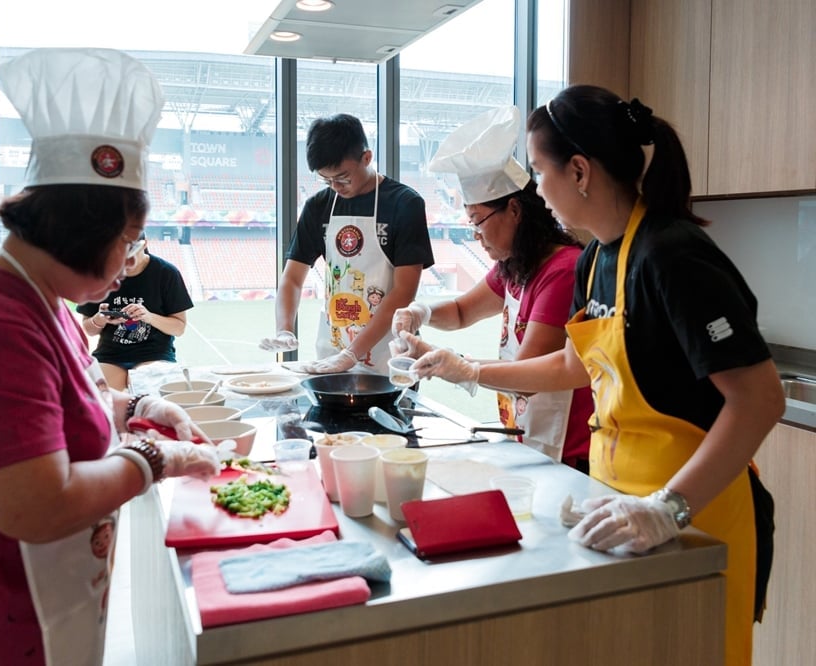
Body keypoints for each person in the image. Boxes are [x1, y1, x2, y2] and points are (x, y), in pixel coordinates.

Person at [403, 85, 783, 666]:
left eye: (539, 172)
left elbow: (759, 399)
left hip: (695, 513)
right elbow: (573, 366)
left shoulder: (673, 255)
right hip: (618, 505)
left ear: (578, 171)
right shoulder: (597, 259)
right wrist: (471, 372)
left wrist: (668, 507)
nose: (536, 191)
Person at [0, 48, 220, 665]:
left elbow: (66, 400)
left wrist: (139, 405)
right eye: (126, 242)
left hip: (33, 607)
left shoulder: (37, 298)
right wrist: (156, 456)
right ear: (85, 230)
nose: (128, 263)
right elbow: (38, 506)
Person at [391, 106, 593, 471]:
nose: (476, 236)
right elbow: (461, 311)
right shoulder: (514, 265)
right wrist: (420, 311)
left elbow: (527, 374)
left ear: (514, 210)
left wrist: (459, 366)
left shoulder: (562, 270)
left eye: (477, 221)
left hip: (569, 451)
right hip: (529, 433)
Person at [259, 113, 434, 374]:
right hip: (332, 348)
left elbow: (403, 292)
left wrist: (353, 353)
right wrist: (284, 329)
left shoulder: (404, 204)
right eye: (326, 180)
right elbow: (292, 278)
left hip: (390, 355)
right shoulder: (318, 206)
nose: (335, 187)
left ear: (367, 157)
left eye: (342, 177)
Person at [77, 232, 193, 390]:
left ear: (144, 244)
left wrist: (148, 316)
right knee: (100, 397)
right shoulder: (99, 275)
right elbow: (88, 329)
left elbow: (179, 328)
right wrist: (100, 319)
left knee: (148, 390)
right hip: (110, 354)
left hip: (155, 353)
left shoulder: (166, 273)